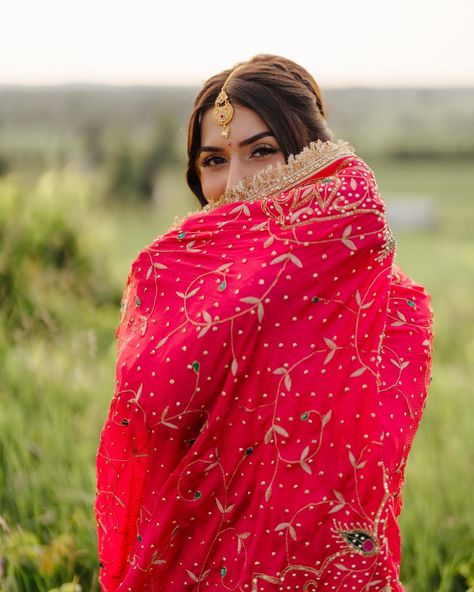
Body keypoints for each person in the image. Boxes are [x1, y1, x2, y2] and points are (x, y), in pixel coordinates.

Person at [95, 54, 434, 591]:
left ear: (310, 155)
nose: (234, 183)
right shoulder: (173, 280)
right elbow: (148, 422)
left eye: (261, 152)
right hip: (195, 553)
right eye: (213, 160)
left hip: (314, 553)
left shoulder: (375, 297)